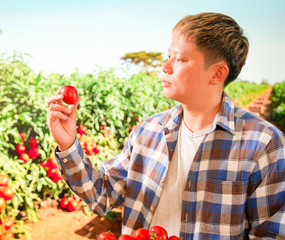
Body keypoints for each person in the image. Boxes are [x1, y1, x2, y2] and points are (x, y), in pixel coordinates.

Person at [47, 12, 285, 239]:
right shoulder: (149, 131)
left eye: (180, 59)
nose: (165, 66)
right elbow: (103, 196)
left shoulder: (263, 144)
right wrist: (68, 143)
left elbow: (271, 234)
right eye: (168, 55)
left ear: (217, 74)